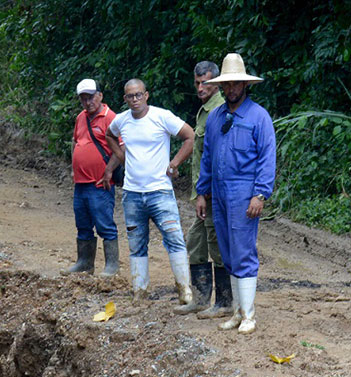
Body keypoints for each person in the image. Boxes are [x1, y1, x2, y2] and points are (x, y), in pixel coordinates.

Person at [195, 53, 276, 334]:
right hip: (218, 191)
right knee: (227, 251)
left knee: (243, 250)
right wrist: (201, 192)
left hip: (244, 191)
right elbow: (207, 157)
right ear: (221, 87)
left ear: (245, 85)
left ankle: (249, 315)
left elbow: (267, 159)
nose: (231, 89)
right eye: (226, 85)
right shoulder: (216, 118)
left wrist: (260, 195)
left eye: (236, 84)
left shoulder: (258, 117)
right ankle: (237, 312)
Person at [103, 78, 196, 306]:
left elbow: (190, 136)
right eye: (130, 96)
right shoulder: (122, 120)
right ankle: (139, 291)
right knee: (136, 242)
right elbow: (109, 135)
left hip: (160, 191)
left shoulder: (161, 116)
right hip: (132, 193)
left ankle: (185, 290)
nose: (134, 100)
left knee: (174, 239)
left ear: (146, 95)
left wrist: (174, 163)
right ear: (125, 99)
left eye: (138, 95)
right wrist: (124, 158)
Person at [175, 60, 229, 317]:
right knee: (196, 242)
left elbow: (215, 156)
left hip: (213, 193)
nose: (200, 87)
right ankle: (200, 298)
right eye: (197, 83)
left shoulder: (219, 110)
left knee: (216, 245)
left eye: (205, 82)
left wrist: (206, 193)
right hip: (202, 192)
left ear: (215, 83)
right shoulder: (205, 111)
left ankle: (225, 302)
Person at [64, 78, 120, 277]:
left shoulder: (110, 117)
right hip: (81, 182)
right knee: (83, 224)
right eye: (83, 99)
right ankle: (85, 262)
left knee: (105, 224)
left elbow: (121, 148)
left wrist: (109, 171)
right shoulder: (81, 117)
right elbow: (75, 141)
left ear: (100, 95)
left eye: (91, 97)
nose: (88, 102)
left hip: (100, 183)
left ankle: (112, 265)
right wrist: (73, 168)